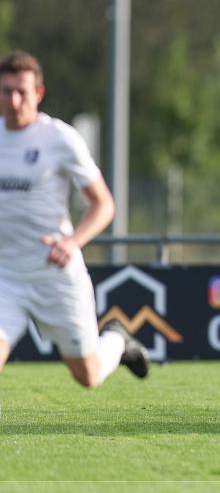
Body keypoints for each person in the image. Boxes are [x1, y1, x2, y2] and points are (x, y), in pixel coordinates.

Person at [0, 50, 148, 387]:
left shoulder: (59, 139)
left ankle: (117, 340)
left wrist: (71, 243)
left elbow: (103, 204)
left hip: (54, 274)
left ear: (39, 93)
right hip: (6, 277)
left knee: (88, 376)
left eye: (22, 91)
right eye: (7, 91)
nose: (14, 100)